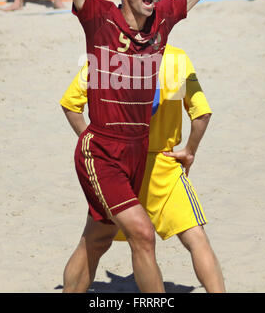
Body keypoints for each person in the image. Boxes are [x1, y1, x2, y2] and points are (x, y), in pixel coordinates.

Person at [20, 0, 265, 292]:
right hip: (101, 150)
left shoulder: (163, 20)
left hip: (138, 151)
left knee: (97, 239)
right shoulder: (98, 17)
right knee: (143, 232)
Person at [60, 43, 226, 293]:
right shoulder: (176, 60)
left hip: (117, 165)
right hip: (164, 164)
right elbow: (201, 114)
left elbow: (71, 105)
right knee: (196, 239)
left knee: (92, 243)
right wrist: (189, 151)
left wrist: (96, 146)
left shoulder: (107, 58)